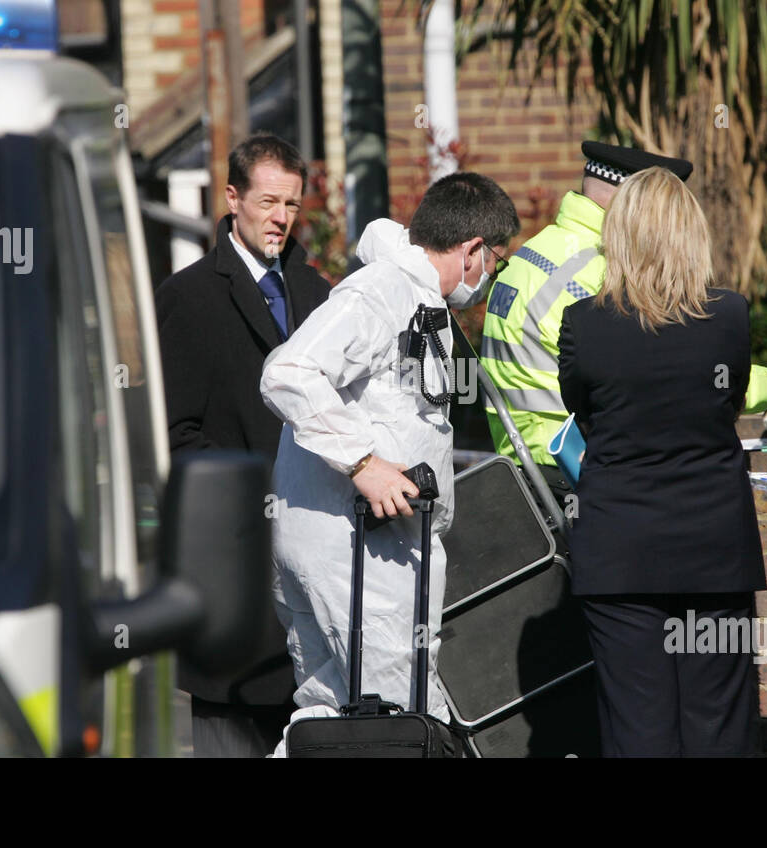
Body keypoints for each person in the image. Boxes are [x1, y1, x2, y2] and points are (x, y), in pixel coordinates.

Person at [260, 172, 520, 756]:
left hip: (347, 542)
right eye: (496, 263)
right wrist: (364, 464)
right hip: (358, 552)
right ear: (474, 249)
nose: (489, 279)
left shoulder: (410, 295)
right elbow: (289, 373)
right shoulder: (381, 293)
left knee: (332, 717)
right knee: (393, 719)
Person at [557, 166, 766, 757]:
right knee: (720, 722)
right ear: (690, 233)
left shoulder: (583, 325)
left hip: (621, 549)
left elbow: (582, 409)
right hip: (714, 546)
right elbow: (727, 400)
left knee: (636, 726)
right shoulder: (729, 316)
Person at [481, 141, 767, 502]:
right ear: (635, 202)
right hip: (572, 470)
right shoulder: (604, 274)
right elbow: (669, 381)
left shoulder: (537, 250)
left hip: (524, 464)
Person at [155, 133, 331, 757]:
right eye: (268, 202)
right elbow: (175, 437)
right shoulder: (190, 297)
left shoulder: (318, 294)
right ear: (233, 198)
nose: (281, 218)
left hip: (312, 571)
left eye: (291, 203)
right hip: (236, 570)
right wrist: (260, 490)